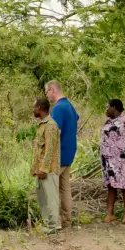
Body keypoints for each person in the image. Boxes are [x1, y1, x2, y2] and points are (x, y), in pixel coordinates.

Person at [46, 81, 79, 229]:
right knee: (65, 188)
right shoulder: (70, 105)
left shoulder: (58, 108)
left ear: (53, 90)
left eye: (47, 92)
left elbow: (55, 132)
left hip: (59, 154)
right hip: (70, 151)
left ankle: (54, 222)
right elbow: (76, 118)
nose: (47, 95)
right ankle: (66, 221)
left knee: (51, 188)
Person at [31, 97, 62, 236]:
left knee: (51, 198)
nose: (33, 110)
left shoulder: (50, 125)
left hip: (48, 170)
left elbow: (50, 150)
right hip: (41, 170)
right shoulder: (43, 124)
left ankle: (52, 226)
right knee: (42, 198)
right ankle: (47, 224)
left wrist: (44, 169)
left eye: (34, 107)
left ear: (39, 108)